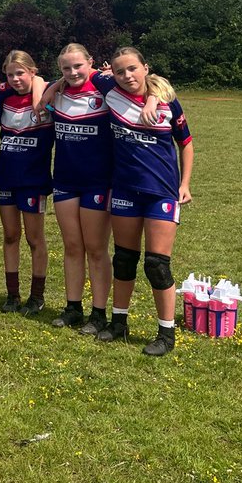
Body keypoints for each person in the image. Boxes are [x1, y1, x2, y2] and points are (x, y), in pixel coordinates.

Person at [91, 46, 194, 356]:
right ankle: (119, 322)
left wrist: (185, 183)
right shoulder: (110, 89)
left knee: (157, 265)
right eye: (120, 71)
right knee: (123, 259)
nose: (127, 76)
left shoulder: (167, 100)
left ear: (146, 68)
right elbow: (78, 72)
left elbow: (186, 144)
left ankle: (166, 334)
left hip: (161, 192)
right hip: (124, 190)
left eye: (133, 69)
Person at [46, 43, 115, 334]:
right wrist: (57, 84)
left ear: (91, 63)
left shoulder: (107, 91)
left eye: (78, 66)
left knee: (96, 249)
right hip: (64, 179)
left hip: (98, 182)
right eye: (66, 68)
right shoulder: (57, 93)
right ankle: (73, 307)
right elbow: (41, 98)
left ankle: (99, 313)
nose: (73, 72)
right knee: (72, 247)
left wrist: (102, 75)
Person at [0, 50, 52, 316]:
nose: (16, 79)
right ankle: (12, 294)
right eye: (10, 74)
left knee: (34, 238)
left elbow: (55, 83)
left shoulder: (48, 94)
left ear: (32, 71)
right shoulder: (3, 95)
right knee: (10, 235)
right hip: (6, 175)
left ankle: (36, 296)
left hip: (34, 180)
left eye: (21, 73)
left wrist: (39, 92)